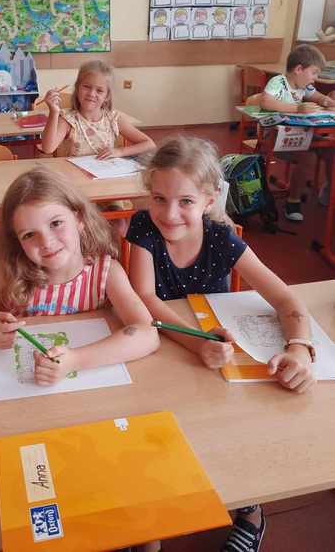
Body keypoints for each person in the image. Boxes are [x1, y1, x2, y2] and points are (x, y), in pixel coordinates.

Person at [126, 135, 316, 552]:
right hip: (174, 350)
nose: (169, 214)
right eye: (159, 199)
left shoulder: (221, 238)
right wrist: (197, 344)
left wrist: (300, 348)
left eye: (186, 201)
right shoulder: (143, 227)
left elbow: (287, 300)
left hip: (218, 362)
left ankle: (250, 511)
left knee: (231, 431)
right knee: (151, 432)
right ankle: (150, 524)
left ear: (210, 199)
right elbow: (145, 298)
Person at [0, 167, 159, 385]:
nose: (46, 242)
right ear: (17, 241)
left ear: (79, 219)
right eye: (29, 235)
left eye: (56, 223)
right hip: (23, 381)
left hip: (84, 380)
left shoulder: (106, 273)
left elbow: (148, 334)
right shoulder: (11, 270)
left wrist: (75, 360)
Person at [260, 44, 335, 221]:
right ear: (299, 69)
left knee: (331, 150)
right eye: (314, 73)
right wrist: (297, 108)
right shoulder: (279, 82)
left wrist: (326, 100)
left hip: (300, 133)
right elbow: (265, 102)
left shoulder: (304, 87)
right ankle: (292, 201)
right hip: (275, 136)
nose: (315, 79)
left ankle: (329, 193)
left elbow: (316, 96)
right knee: (308, 157)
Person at [40, 60, 155, 159]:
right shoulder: (68, 120)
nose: (91, 94)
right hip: (74, 175)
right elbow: (47, 148)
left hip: (105, 175)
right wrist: (54, 112)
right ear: (77, 88)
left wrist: (120, 151)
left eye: (99, 90)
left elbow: (149, 144)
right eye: (86, 87)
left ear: (107, 96)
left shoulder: (113, 119)